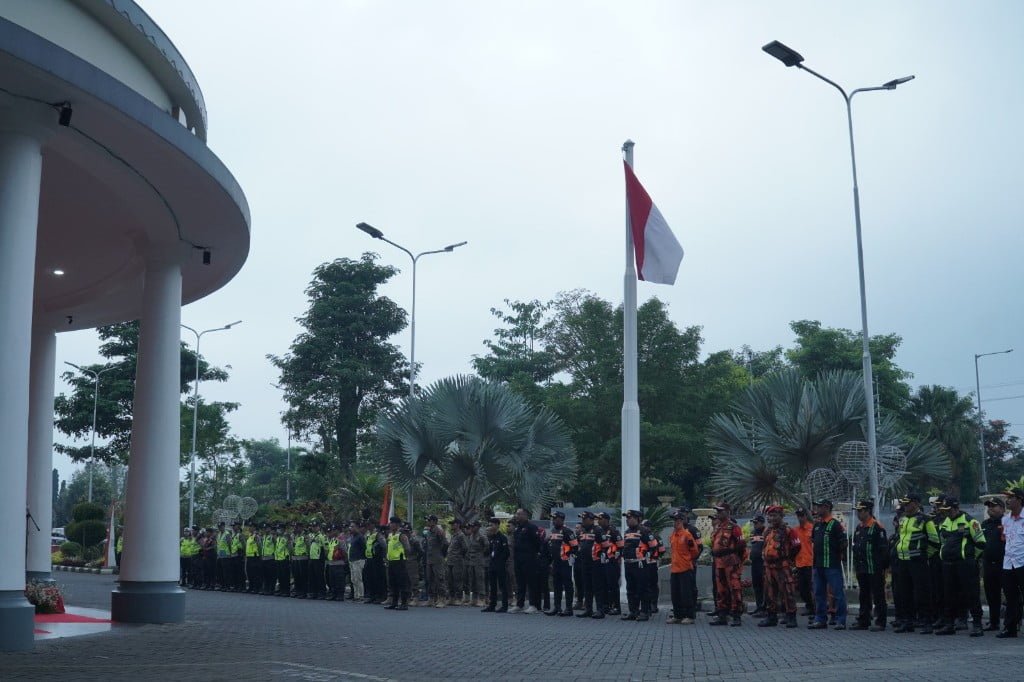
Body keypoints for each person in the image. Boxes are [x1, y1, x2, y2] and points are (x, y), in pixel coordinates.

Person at [935, 496, 985, 636]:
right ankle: (949, 624)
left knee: (971, 594)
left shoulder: (970, 522)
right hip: (948, 564)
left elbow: (981, 543)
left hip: (965, 564)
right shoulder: (944, 523)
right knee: (949, 595)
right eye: (944, 510)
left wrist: (970, 558)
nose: (946, 512)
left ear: (956, 508)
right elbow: (942, 542)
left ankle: (977, 624)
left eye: (949, 510)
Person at [893, 492, 939, 633]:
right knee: (904, 592)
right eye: (904, 503)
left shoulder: (925, 520)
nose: (905, 506)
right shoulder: (902, 519)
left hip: (918, 561)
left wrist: (924, 555)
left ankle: (926, 622)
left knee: (922, 593)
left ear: (916, 503)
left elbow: (934, 541)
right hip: (903, 561)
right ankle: (908, 621)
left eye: (908, 503)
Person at [758, 505, 800, 628]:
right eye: (769, 516)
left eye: (774, 515)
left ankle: (791, 617)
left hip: (782, 566)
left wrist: (787, 559)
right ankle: (771, 617)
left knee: (787, 592)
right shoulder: (767, 531)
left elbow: (797, 546)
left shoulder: (788, 531)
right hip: (768, 567)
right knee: (769, 593)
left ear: (781, 516)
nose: (771, 518)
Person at [808, 499, 848, 630]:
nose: (817, 509)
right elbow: (814, 540)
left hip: (832, 565)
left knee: (837, 593)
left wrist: (839, 556)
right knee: (819, 593)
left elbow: (843, 542)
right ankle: (820, 619)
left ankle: (840, 620)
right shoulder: (817, 525)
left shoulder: (835, 525)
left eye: (819, 507)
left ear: (826, 508)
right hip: (818, 565)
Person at [851, 499, 888, 631]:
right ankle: (864, 620)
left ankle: (880, 621)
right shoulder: (859, 528)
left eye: (860, 511)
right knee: (864, 595)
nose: (858, 514)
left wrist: (881, 567)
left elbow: (883, 549)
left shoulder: (877, 527)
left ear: (867, 511)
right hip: (862, 567)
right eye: (858, 511)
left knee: (878, 595)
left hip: (875, 567)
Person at [709, 502, 746, 626]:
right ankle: (722, 615)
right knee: (721, 589)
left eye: (721, 511)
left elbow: (741, 545)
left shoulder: (734, 527)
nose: (718, 513)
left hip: (730, 562)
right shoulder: (718, 527)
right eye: (717, 511)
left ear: (727, 512)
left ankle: (736, 615)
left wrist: (736, 559)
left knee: (734, 588)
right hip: (719, 562)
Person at [666, 510, 701, 625]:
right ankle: (677, 615)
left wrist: (686, 560)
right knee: (675, 594)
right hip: (675, 568)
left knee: (686, 593)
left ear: (681, 521)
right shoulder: (672, 536)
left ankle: (689, 616)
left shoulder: (687, 535)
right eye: (674, 521)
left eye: (676, 520)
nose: (674, 523)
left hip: (685, 568)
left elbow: (695, 551)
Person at [998, 488, 1024, 639]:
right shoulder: (1005, 519)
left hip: (1022, 562)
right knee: (1011, 597)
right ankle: (1010, 628)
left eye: (1010, 498)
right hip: (1008, 563)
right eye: (1006, 498)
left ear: (1019, 499)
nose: (1007, 500)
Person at [544, 511, 578, 616]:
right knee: (556, 585)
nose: (553, 520)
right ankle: (557, 607)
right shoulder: (553, 530)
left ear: (561, 519)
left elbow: (575, 547)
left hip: (565, 562)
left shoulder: (568, 532)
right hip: (555, 563)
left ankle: (568, 608)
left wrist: (571, 559)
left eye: (556, 518)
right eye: (553, 518)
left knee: (567, 585)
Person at [510, 508, 543, 614]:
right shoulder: (517, 529)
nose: (517, 516)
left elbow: (538, 542)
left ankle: (533, 605)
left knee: (531, 582)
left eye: (519, 514)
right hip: (518, 559)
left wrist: (535, 555)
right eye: (516, 514)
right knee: (520, 582)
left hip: (529, 559)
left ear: (525, 515)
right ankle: (520, 604)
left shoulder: (531, 527)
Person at [981, 497, 1005, 631]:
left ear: (1002, 508)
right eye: (988, 506)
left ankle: (1014, 622)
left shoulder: (1007, 522)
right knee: (991, 594)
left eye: (993, 506)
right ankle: (994, 622)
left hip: (1004, 563)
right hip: (988, 564)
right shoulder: (984, 524)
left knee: (1011, 594)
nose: (990, 508)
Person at [574, 511, 604, 619]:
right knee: (587, 587)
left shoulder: (597, 530)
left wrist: (601, 557)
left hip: (595, 563)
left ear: (591, 519)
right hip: (584, 562)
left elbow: (605, 545)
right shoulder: (582, 531)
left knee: (597, 587)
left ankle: (600, 610)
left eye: (584, 519)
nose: (582, 521)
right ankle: (588, 609)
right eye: (582, 519)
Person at [597, 511, 623, 615]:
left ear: (606, 520)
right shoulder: (599, 531)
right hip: (602, 562)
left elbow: (621, 546)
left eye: (601, 519)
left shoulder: (613, 531)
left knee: (613, 586)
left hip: (612, 562)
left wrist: (616, 556)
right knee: (603, 585)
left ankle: (616, 607)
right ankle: (605, 606)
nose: (599, 521)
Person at [383, 516, 412, 610]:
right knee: (393, 583)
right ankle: (394, 602)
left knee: (402, 583)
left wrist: (404, 558)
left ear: (397, 524)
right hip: (391, 562)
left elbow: (407, 548)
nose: (390, 525)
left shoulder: (402, 535)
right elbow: (388, 547)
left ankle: (404, 603)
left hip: (399, 562)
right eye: (390, 523)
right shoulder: (391, 535)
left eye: (392, 523)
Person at [482, 517, 510, 612]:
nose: (490, 527)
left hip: (500, 565)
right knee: (492, 586)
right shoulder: (491, 538)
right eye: (489, 525)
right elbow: (489, 551)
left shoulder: (502, 538)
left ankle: (504, 605)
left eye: (492, 525)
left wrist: (500, 562)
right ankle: (492, 605)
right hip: (492, 564)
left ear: (497, 525)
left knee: (502, 586)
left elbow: (506, 553)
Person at [424, 515, 449, 608]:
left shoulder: (439, 531)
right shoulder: (429, 532)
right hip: (430, 559)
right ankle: (431, 598)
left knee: (440, 579)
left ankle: (442, 599)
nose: (427, 522)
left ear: (434, 521)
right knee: (430, 579)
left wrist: (441, 554)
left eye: (429, 520)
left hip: (437, 558)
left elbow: (445, 543)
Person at [744, 514, 767, 618]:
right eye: (753, 523)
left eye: (756, 523)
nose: (754, 525)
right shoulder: (753, 533)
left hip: (763, 563)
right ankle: (758, 607)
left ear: (762, 523)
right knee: (756, 585)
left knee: (764, 585)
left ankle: (764, 608)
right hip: (755, 562)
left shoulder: (767, 532)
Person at [793, 508, 814, 617]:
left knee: (812, 588)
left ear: (806, 516)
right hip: (799, 563)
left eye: (802, 516)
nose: (800, 518)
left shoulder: (812, 529)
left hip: (811, 563)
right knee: (802, 588)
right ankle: (809, 606)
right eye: (798, 516)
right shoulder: (795, 530)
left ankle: (814, 609)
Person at [641, 519, 663, 614]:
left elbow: (661, 550)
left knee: (652, 584)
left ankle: (653, 604)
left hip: (651, 563)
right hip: (647, 563)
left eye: (644, 526)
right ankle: (650, 605)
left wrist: (655, 557)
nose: (642, 527)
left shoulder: (654, 536)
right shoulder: (642, 536)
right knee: (648, 584)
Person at [464, 521, 488, 607]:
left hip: (479, 561)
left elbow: (487, 546)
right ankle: (474, 599)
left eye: (473, 526)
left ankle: (482, 599)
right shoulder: (471, 536)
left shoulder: (481, 536)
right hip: (471, 561)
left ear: (477, 527)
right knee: (473, 580)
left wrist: (481, 554)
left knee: (480, 579)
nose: (471, 528)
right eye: (471, 526)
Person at [326, 526, 348, 601]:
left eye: (333, 530)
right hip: (331, 563)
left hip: (339, 563)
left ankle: (340, 595)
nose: (331, 532)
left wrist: (345, 561)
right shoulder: (332, 540)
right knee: (332, 580)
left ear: (337, 531)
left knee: (339, 580)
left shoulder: (340, 540)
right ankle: (334, 594)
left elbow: (344, 551)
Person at [404, 523, 423, 606]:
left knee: (414, 580)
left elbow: (421, 552)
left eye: (407, 531)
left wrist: (416, 560)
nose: (405, 533)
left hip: (412, 562)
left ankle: (416, 598)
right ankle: (407, 598)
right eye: (404, 531)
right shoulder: (402, 540)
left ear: (410, 532)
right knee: (406, 581)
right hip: (404, 562)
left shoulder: (414, 541)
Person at [347, 523, 366, 602]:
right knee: (353, 579)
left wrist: (361, 558)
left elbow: (364, 548)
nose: (350, 528)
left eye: (352, 526)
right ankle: (356, 595)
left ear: (357, 528)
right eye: (350, 526)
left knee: (358, 578)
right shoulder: (353, 537)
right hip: (352, 560)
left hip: (358, 560)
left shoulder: (360, 537)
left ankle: (361, 595)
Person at [307, 523, 326, 599]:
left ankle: (322, 592)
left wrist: (324, 558)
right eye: (313, 527)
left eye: (315, 527)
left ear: (319, 527)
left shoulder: (322, 536)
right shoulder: (311, 536)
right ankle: (314, 592)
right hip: (312, 558)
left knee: (319, 576)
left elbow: (325, 548)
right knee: (312, 576)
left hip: (318, 559)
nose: (314, 528)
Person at [260, 524, 277, 595]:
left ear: (270, 529)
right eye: (264, 528)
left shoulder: (272, 537)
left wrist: (275, 555)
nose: (265, 529)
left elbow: (276, 546)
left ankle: (271, 589)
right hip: (264, 558)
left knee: (271, 575)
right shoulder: (264, 537)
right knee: (265, 575)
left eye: (267, 528)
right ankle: (265, 589)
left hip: (271, 558)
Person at [244, 525, 261, 594]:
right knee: (249, 573)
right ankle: (251, 587)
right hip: (249, 556)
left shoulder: (256, 536)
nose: (249, 528)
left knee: (255, 573)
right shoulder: (250, 536)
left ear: (254, 528)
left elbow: (259, 546)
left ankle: (256, 588)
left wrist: (260, 555)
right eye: (249, 527)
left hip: (255, 557)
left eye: (251, 527)